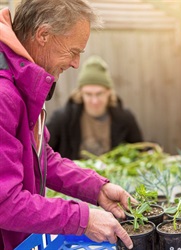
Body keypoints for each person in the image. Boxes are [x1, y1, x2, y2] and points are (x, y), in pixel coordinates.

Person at [0, 1, 135, 249]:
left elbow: (42, 158)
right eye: (74, 51)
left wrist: (96, 188)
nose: (75, 63)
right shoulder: (3, 94)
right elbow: (4, 203)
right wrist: (82, 219)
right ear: (43, 35)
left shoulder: (21, 81)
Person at [47, 55, 143, 160]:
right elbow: (44, 153)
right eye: (88, 94)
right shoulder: (63, 118)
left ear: (109, 92)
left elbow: (139, 153)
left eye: (99, 94)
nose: (94, 101)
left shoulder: (125, 119)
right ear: (80, 93)